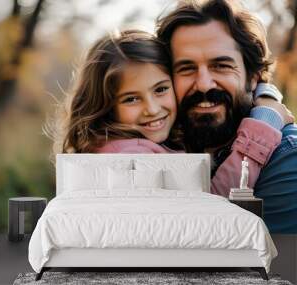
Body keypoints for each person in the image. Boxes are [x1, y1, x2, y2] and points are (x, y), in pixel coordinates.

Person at [52, 29, 292, 201]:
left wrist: (264, 92)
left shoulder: (134, 142)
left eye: (161, 89)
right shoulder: (133, 157)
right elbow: (217, 205)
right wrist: (264, 121)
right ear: (106, 105)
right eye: (131, 99)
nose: (153, 109)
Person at [156, 0, 297, 233]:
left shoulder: (287, 159)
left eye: (221, 66)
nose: (203, 84)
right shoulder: (158, 144)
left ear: (253, 77)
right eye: (186, 68)